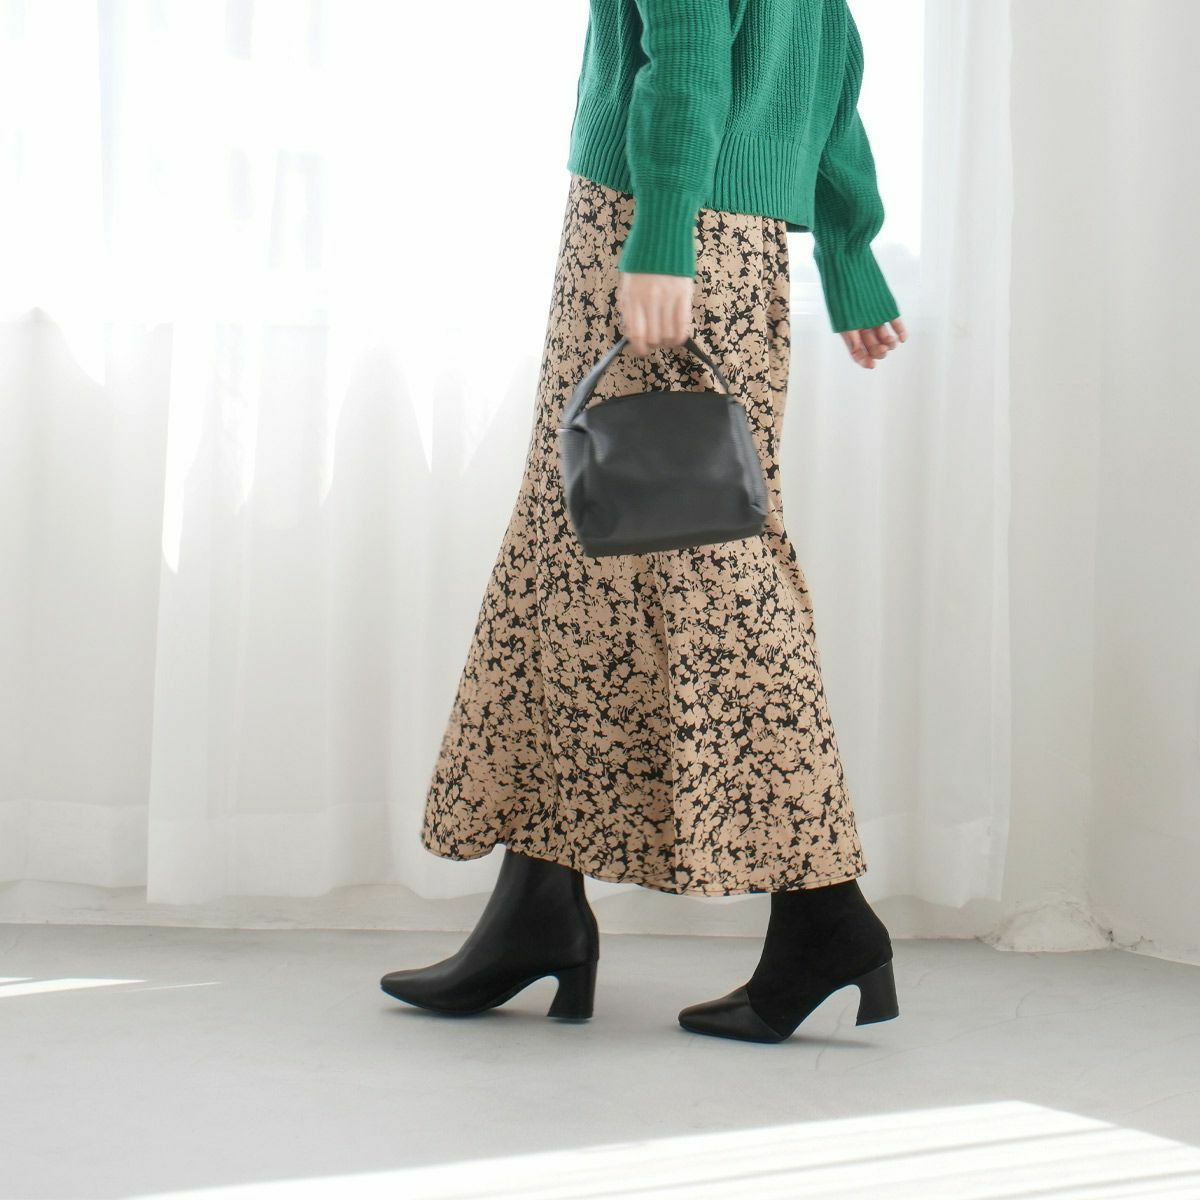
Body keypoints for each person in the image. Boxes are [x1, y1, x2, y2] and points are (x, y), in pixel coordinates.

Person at [381, 0, 905, 1044]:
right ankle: (537, 905)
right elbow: (829, 56)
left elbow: (691, 54)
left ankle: (826, 918)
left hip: (659, 224)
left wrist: (661, 233)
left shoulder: (662, 224)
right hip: (724, 237)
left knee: (705, 584)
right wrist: (848, 247)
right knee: (579, 569)